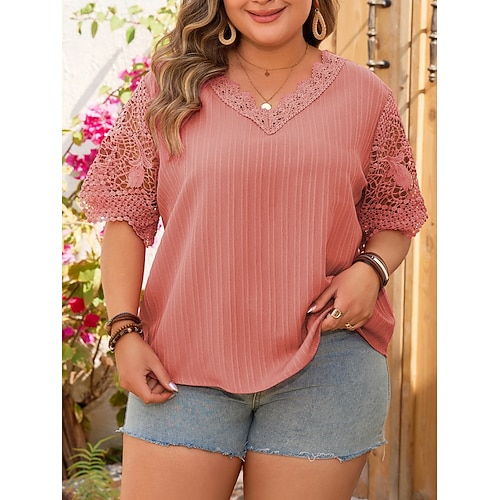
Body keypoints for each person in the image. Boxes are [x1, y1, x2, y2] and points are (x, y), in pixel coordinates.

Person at [79, 0, 428, 498]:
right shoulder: (168, 89)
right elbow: (125, 218)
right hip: (180, 364)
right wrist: (123, 330)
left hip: (327, 364)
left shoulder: (365, 95)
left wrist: (371, 269)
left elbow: (394, 214)